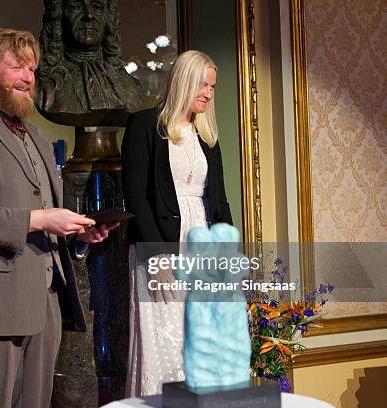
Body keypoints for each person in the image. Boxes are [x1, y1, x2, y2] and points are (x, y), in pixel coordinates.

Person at [0, 28, 117, 408]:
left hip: (44, 304)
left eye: (32, 69)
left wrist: (79, 236)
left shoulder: (39, 138)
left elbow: (42, 216)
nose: (28, 78)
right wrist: (42, 219)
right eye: (17, 67)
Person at [121, 50, 233, 396]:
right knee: (165, 339)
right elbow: (136, 197)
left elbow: (220, 201)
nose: (209, 94)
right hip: (162, 246)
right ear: (184, 81)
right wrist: (158, 258)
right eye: (204, 85)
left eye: (213, 87)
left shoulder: (207, 135)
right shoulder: (143, 125)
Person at [36, 0, 143, 125]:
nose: (89, 15)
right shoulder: (47, 87)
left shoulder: (131, 86)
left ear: (108, 16)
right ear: (59, 15)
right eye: (76, 7)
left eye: (97, 7)